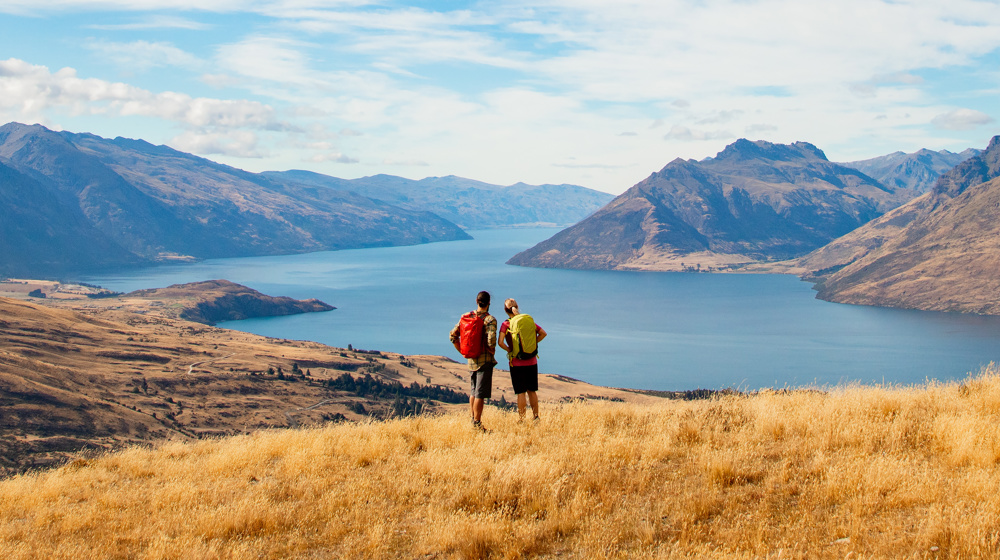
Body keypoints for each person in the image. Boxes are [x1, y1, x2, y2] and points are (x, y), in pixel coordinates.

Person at [450, 291, 497, 431]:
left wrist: (463, 351)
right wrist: (490, 349)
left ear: (476, 301)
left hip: (471, 360)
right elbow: (491, 340)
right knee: (480, 394)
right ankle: (477, 423)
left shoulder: (466, 317)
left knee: (473, 391)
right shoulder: (490, 320)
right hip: (484, 360)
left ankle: (473, 419)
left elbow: (453, 336)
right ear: (489, 303)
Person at [498, 298, 547, 422]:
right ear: (517, 307)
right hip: (532, 360)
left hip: (516, 362)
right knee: (532, 391)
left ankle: (522, 419)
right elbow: (543, 333)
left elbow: (500, 342)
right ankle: (536, 417)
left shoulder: (506, 324)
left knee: (520, 392)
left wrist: (510, 350)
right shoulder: (527, 320)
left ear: (505, 310)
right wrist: (531, 343)